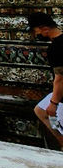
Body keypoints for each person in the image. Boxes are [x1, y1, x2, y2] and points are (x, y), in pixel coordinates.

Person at [27, 12, 63, 148]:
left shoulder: (55, 48)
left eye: (36, 31)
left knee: (48, 113)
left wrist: (54, 103)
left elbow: (60, 79)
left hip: (61, 98)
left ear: (44, 29)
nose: (36, 35)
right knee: (40, 110)